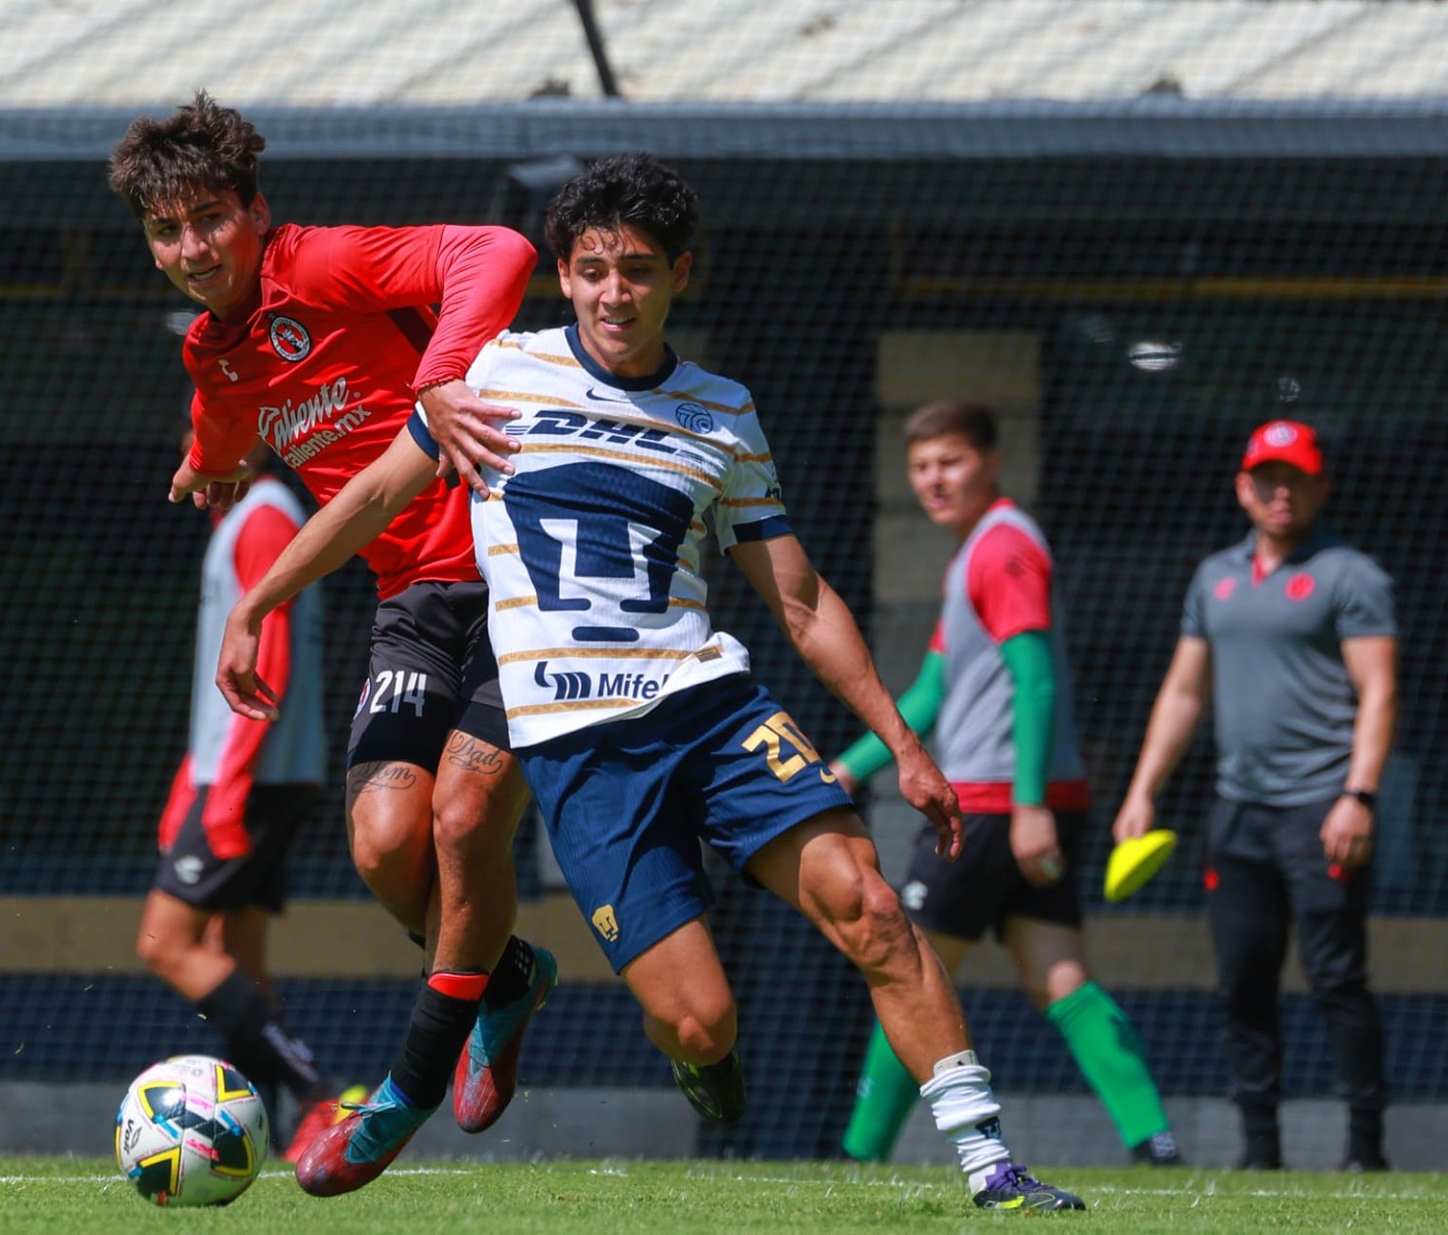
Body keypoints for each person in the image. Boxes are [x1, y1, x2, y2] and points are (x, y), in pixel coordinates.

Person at [218, 153, 1085, 1212]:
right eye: (592, 270)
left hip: (711, 709)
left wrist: (904, 745)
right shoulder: (496, 374)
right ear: (565, 276)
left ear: (680, 273)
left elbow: (800, 599)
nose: (614, 293)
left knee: (868, 904)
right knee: (698, 1021)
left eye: (637, 270)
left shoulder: (723, 410)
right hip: (582, 752)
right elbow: (368, 498)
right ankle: (696, 1053)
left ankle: (992, 1165)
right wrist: (259, 602)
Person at [107, 93, 557, 1195]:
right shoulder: (215, 354)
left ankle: (415, 1074)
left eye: (209, 218)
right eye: (166, 231)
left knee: (462, 820)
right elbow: (224, 416)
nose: (191, 248)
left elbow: (500, 251)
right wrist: (207, 462)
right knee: (385, 842)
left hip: (517, 575)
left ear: (256, 211)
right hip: (410, 597)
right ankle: (506, 974)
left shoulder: (322, 264)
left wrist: (441, 374)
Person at [829, 400, 1179, 1167]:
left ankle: (858, 1157)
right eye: (921, 467)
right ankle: (1156, 1144)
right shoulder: (975, 555)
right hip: (1018, 806)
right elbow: (931, 692)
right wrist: (844, 771)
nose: (934, 480)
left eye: (950, 462)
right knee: (1060, 977)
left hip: (991, 809)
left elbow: (1036, 678)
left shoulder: (1002, 548)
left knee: (910, 975)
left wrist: (1027, 806)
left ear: (991, 462)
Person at [1114, 420, 1393, 1173]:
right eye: (1268, 477)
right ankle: (1259, 1154)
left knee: (1337, 980)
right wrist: (1143, 791)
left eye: (1296, 478)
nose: (1281, 491)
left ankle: (1366, 1152)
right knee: (1243, 980)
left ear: (1321, 488)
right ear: (1243, 487)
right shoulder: (1215, 577)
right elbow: (1183, 692)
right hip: (1236, 812)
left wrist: (1359, 795)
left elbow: (1379, 691)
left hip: (1323, 809)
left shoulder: (1351, 576)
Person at [134, 435, 357, 1160]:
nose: (193, 448)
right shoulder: (252, 515)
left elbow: (270, 654)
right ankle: (271, 1126)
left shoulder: (263, 516)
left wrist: (224, 788)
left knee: (167, 943)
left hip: (254, 778)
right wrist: (192, 783)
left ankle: (319, 1093)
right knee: (238, 956)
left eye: (211, 433)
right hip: (253, 775)